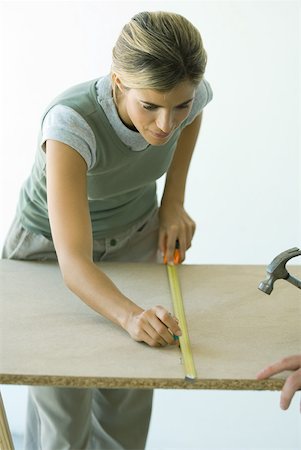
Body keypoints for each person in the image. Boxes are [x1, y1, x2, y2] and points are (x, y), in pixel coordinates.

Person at [1, 10, 213, 450]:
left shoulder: (189, 100)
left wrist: (173, 203)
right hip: (49, 252)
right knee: (64, 415)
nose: (166, 124)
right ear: (118, 81)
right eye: (150, 106)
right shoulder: (69, 124)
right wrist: (130, 316)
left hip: (134, 234)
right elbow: (74, 264)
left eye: (180, 105)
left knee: (129, 403)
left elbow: (193, 119)